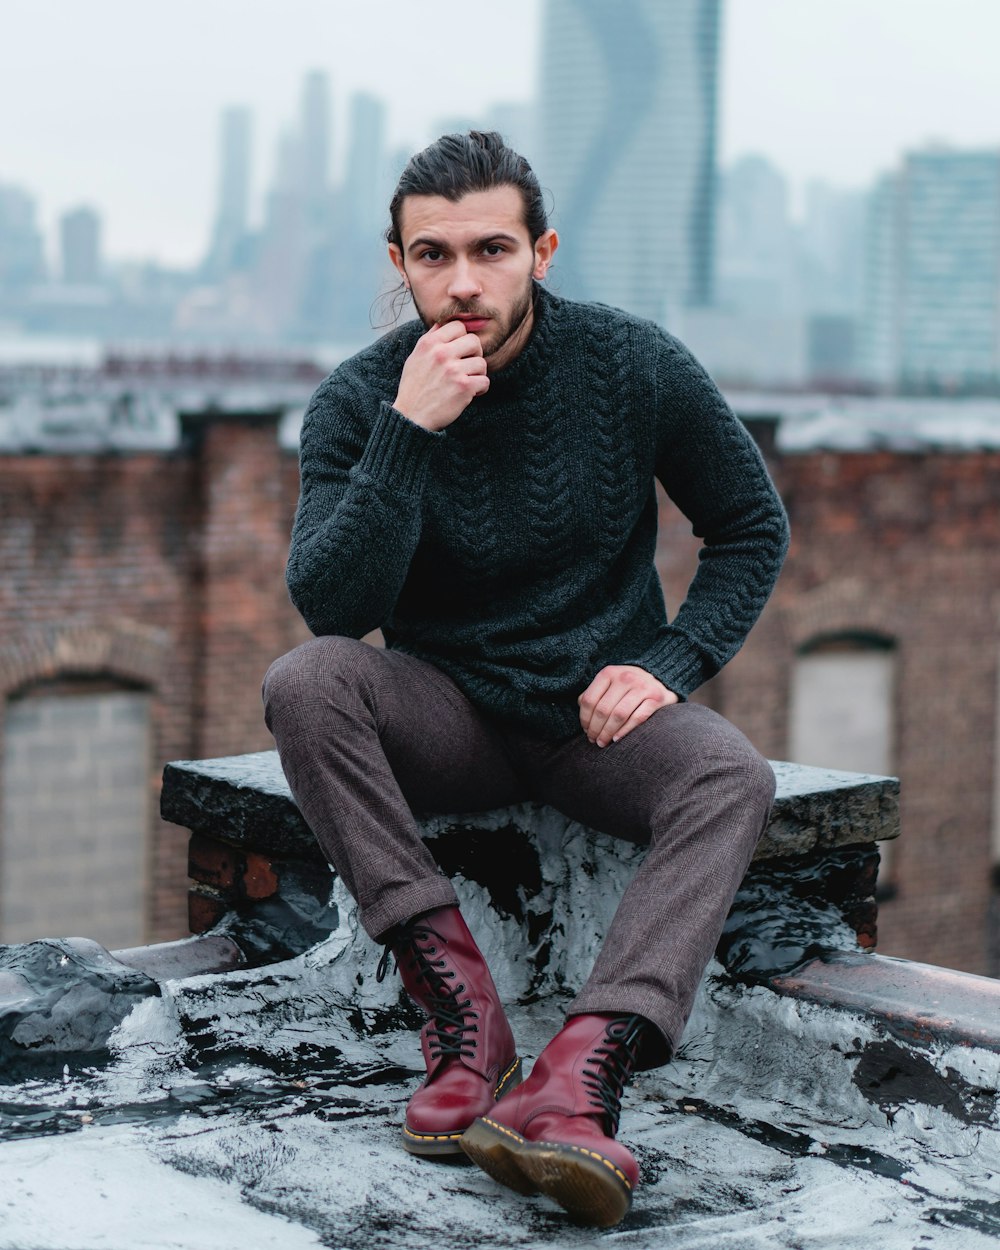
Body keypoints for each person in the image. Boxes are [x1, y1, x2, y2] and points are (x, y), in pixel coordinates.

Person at [263, 131, 789, 1229]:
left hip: (595, 718)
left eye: (492, 249)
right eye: (434, 254)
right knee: (307, 681)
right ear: (397, 262)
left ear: (541, 251)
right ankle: (464, 1018)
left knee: (730, 774)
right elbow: (330, 608)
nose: (464, 283)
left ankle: (580, 1075)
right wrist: (410, 432)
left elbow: (748, 525)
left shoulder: (631, 364)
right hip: (445, 713)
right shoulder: (363, 401)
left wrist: (670, 661)